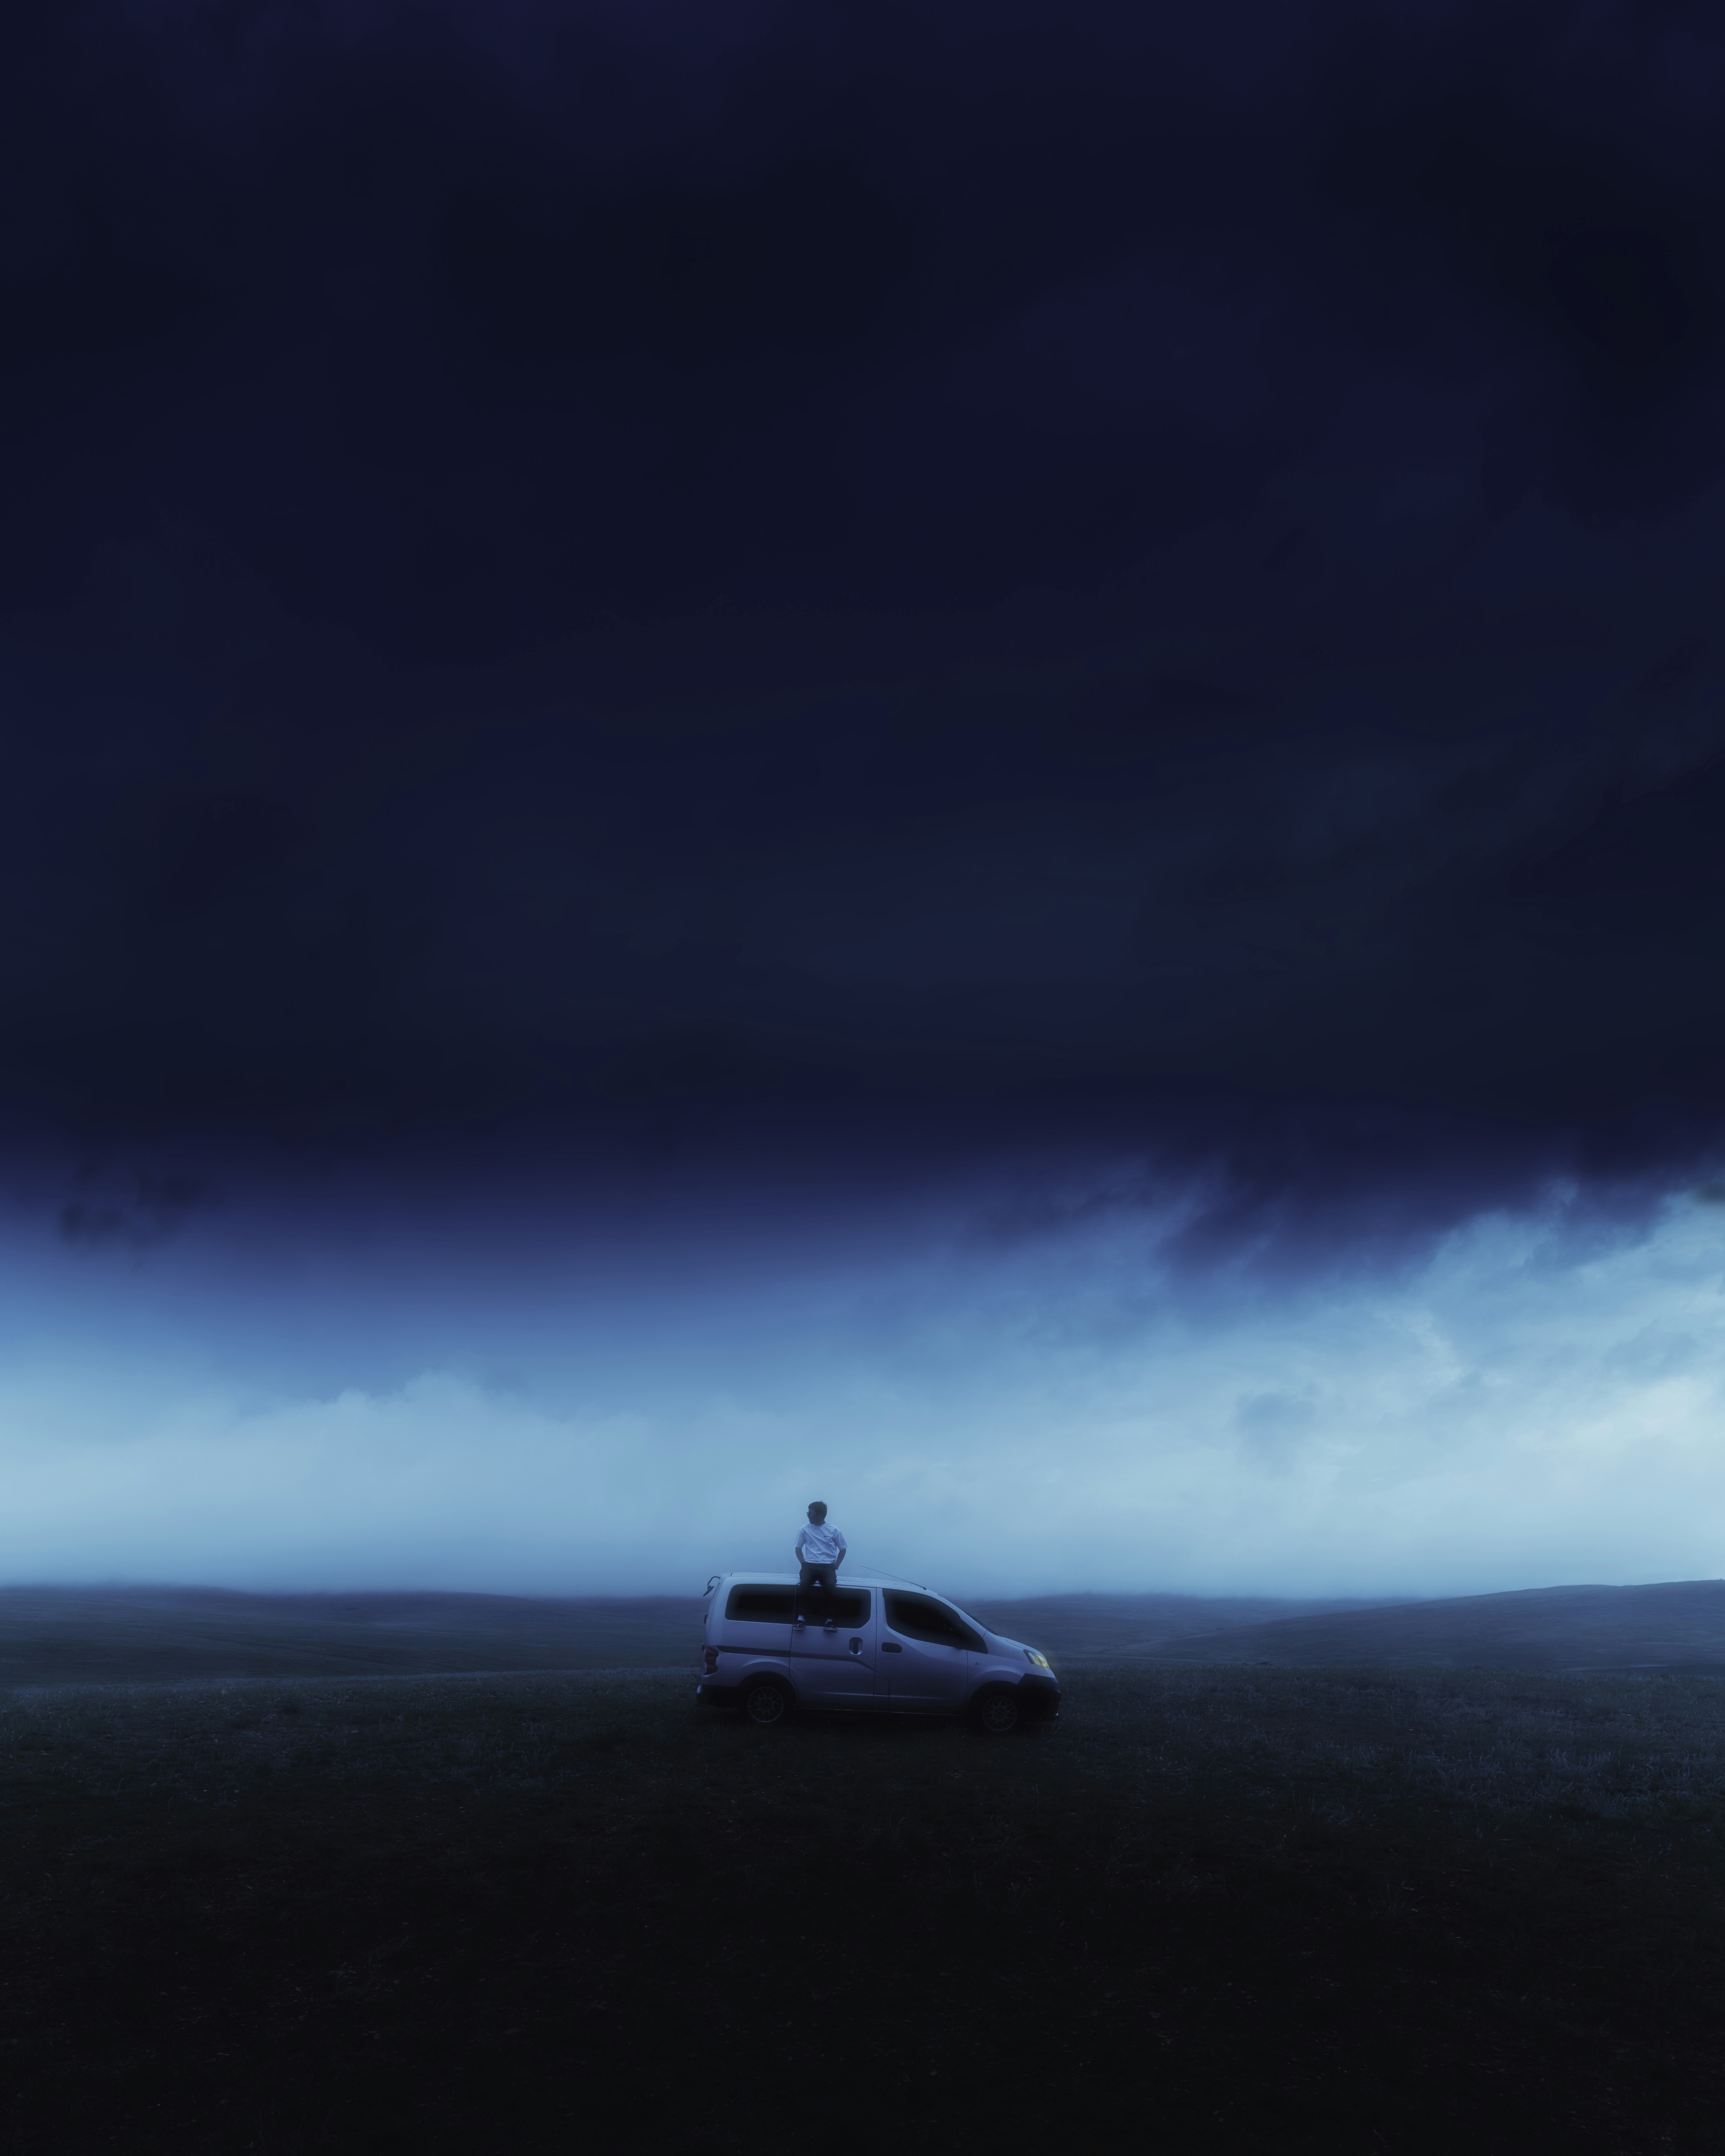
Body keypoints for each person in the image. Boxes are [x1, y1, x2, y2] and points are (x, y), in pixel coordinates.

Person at [794, 1501, 847, 1629]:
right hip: (810, 1565)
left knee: (830, 1588)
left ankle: (829, 1621)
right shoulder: (805, 1529)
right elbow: (798, 1548)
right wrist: (803, 1564)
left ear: (819, 1515)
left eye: (810, 1513)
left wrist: (837, 1564)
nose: (808, 1516)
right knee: (804, 1585)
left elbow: (843, 1548)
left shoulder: (833, 1530)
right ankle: (801, 1618)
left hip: (827, 1567)